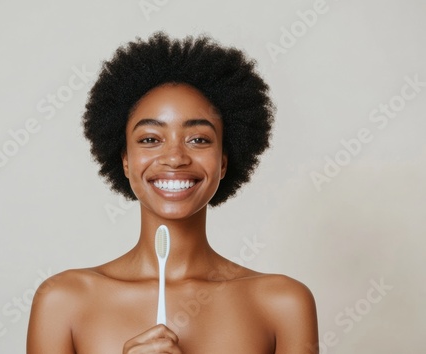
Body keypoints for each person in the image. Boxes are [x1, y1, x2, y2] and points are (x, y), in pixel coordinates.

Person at [27, 32, 318, 354]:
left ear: (224, 162)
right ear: (125, 160)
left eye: (199, 139)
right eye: (150, 139)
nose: (175, 157)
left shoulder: (281, 303)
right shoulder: (63, 300)